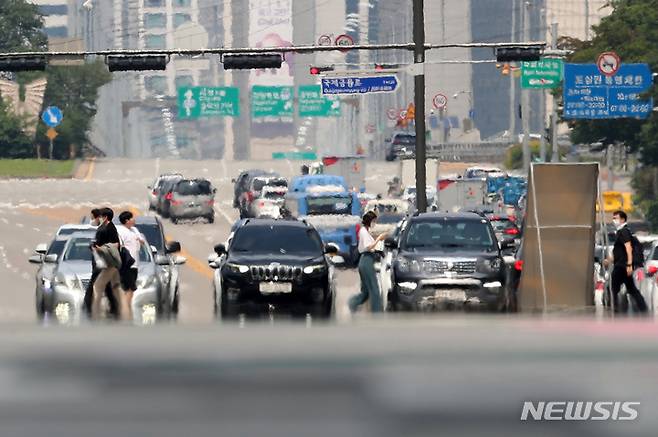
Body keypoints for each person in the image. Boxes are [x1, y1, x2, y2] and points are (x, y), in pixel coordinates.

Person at [605, 210, 647, 314]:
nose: (614, 220)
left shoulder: (623, 231)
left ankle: (613, 310)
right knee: (631, 289)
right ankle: (644, 309)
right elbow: (619, 251)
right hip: (622, 265)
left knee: (612, 288)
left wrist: (629, 264)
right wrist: (609, 260)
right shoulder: (621, 231)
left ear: (622, 219)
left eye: (616, 218)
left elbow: (628, 248)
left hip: (622, 266)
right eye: (613, 218)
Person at [348, 211, 387, 313]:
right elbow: (368, 247)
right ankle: (377, 312)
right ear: (369, 221)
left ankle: (352, 303)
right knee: (374, 288)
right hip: (366, 260)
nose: (374, 223)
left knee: (365, 291)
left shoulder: (365, 231)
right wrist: (379, 238)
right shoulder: (363, 232)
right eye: (374, 221)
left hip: (367, 260)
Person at [91, 208, 123, 320]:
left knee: (98, 286)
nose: (98, 218)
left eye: (100, 216)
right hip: (111, 262)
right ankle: (121, 312)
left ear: (105, 217)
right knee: (115, 288)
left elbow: (115, 245)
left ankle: (95, 314)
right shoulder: (106, 228)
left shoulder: (110, 229)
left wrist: (99, 248)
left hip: (110, 263)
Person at [117, 211, 145, 321]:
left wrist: (140, 240)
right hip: (126, 265)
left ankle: (126, 312)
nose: (134, 220)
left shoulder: (134, 230)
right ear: (127, 220)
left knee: (130, 291)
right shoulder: (120, 231)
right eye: (132, 218)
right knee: (128, 289)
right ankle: (125, 314)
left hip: (134, 265)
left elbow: (142, 241)